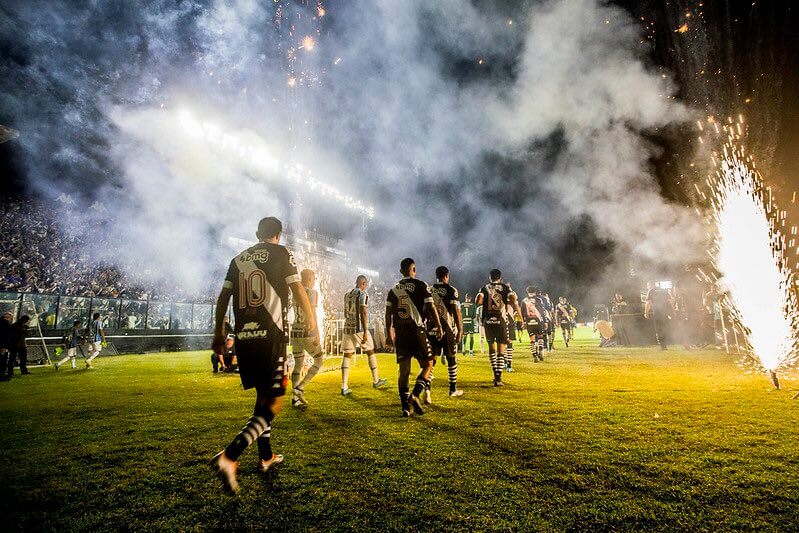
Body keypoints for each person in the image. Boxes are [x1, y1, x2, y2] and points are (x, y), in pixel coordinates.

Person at [210, 216, 318, 493]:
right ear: (279, 235)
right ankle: (229, 456)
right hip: (271, 336)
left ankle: (266, 457)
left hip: (245, 337)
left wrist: (219, 332)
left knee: (262, 400)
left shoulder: (238, 259)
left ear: (257, 233)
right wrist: (313, 322)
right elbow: (297, 290)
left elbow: (223, 298)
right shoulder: (282, 253)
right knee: (274, 403)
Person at [385, 258, 443, 417]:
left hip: (400, 333)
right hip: (417, 331)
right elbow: (430, 306)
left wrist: (388, 336)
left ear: (400, 271)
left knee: (403, 371)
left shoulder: (393, 290)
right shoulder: (421, 285)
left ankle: (405, 407)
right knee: (428, 364)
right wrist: (439, 325)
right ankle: (416, 394)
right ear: (414, 269)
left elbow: (388, 315)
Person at [341, 275, 388, 396]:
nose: (365, 286)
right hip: (359, 328)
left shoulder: (346, 295)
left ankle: (344, 386)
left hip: (347, 326)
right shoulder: (363, 294)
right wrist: (366, 331)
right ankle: (376, 380)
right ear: (363, 283)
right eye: (365, 284)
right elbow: (363, 312)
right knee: (370, 351)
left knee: (347, 355)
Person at [475, 269, 523, 386]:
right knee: (501, 350)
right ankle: (498, 378)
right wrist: (520, 317)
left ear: (489, 278)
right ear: (500, 278)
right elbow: (513, 299)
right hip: (501, 321)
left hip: (488, 322)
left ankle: (494, 375)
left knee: (492, 349)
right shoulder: (505, 288)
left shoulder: (484, 288)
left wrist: (486, 300)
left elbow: (478, 301)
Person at [426, 266, 464, 402]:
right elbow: (456, 311)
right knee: (451, 359)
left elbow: (425, 311)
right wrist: (460, 330)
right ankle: (452, 390)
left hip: (431, 330)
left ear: (436, 276)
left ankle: (428, 392)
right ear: (446, 276)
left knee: (431, 362)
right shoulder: (452, 290)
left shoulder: (429, 290)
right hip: (447, 330)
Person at [289, 269, 325, 408]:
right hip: (307, 331)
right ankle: (300, 388)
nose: (314, 281)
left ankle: (295, 399)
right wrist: (317, 333)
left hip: (295, 331)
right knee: (319, 359)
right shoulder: (312, 292)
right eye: (314, 278)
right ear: (310, 278)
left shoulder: (295, 292)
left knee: (298, 365)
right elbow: (313, 313)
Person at [645, 282, 673, 350]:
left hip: (657, 313)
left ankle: (663, 346)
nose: (647, 287)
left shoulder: (650, 291)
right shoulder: (663, 291)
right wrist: (672, 312)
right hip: (665, 313)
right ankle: (665, 345)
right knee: (664, 329)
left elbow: (648, 303)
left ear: (651, 285)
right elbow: (670, 301)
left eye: (647, 286)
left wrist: (646, 313)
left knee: (659, 330)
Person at [521, 287, 546, 362]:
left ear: (527, 292)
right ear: (535, 292)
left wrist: (523, 322)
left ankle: (534, 355)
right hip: (538, 321)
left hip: (529, 322)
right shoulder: (539, 300)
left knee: (532, 339)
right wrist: (545, 322)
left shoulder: (524, 301)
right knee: (540, 337)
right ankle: (541, 351)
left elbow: (522, 313)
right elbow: (542, 311)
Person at [0, 312, 13, 381]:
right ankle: (1, 376)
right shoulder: (5, 325)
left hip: (2, 345)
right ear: (8, 317)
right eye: (11, 317)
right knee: (2, 361)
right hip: (3, 346)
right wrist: (3, 347)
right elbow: (4, 337)